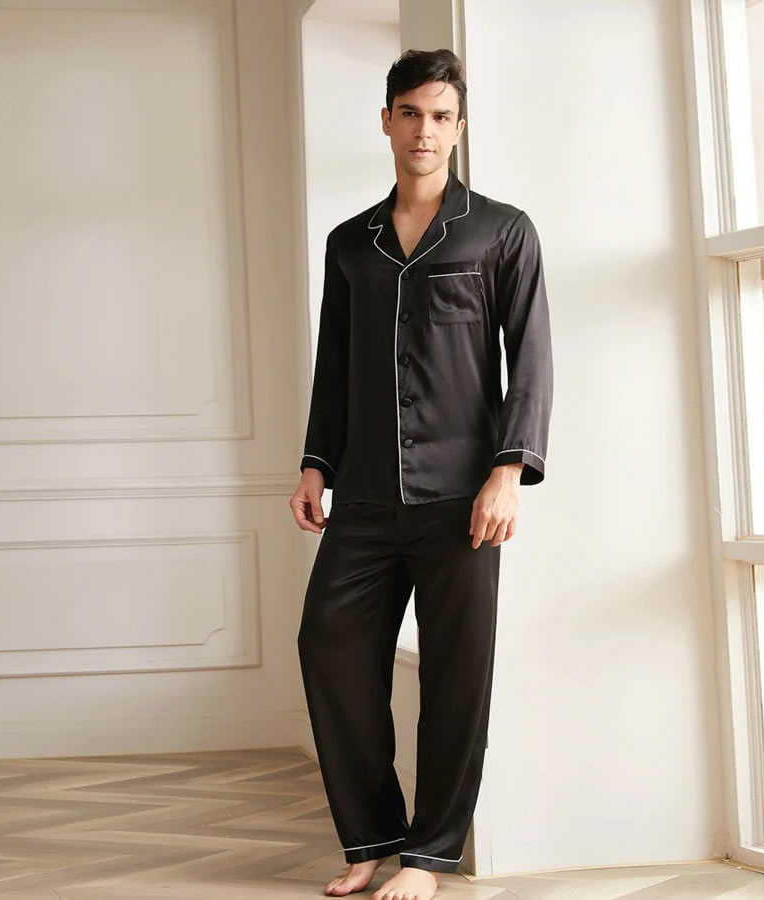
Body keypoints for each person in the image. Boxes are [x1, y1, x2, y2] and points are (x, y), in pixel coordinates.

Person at [290, 48, 553, 900]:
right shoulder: (349, 243)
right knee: (328, 643)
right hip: (365, 494)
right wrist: (315, 463)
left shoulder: (502, 231)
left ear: (459, 127)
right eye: (410, 113)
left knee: (455, 676)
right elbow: (335, 365)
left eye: (440, 116)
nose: (424, 130)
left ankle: (429, 856)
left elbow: (531, 361)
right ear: (386, 121)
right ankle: (370, 837)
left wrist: (508, 471)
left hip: (462, 500)